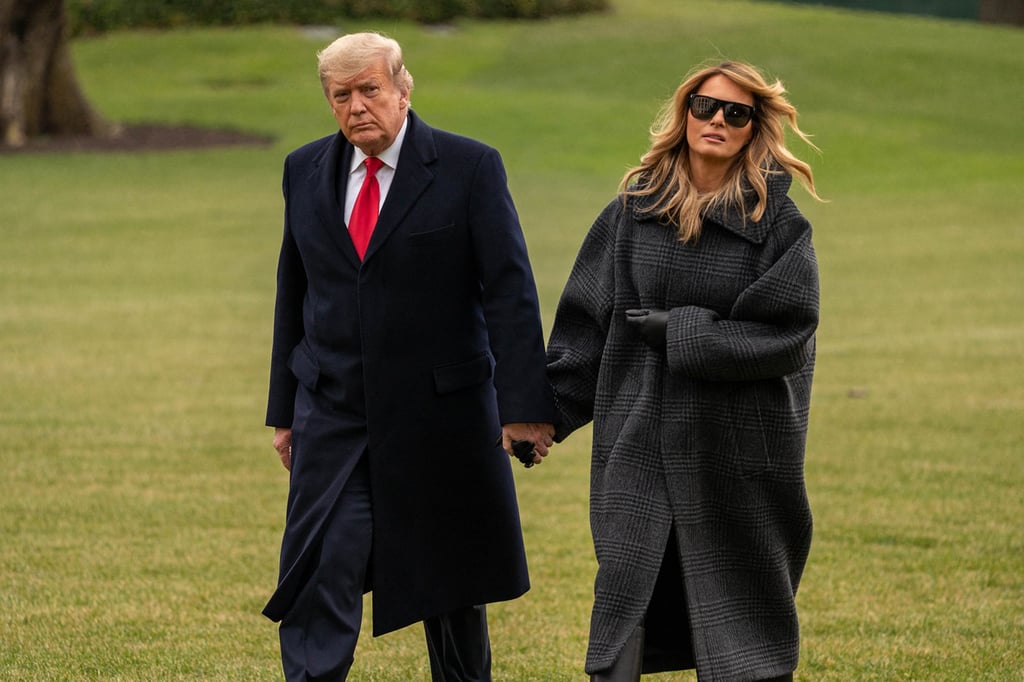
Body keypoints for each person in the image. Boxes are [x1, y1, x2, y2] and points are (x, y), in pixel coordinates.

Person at [263, 31, 556, 682]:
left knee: (449, 587)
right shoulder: (303, 170)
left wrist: (525, 408)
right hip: (334, 414)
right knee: (320, 565)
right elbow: (295, 291)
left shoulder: (469, 167)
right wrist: (284, 412)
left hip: (440, 417)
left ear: (403, 88)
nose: (356, 106)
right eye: (341, 95)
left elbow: (510, 291)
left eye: (369, 89)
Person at [546, 61, 823, 681]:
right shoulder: (632, 211)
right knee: (624, 588)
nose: (717, 121)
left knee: (741, 618)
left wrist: (682, 332)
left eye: (736, 113)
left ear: (755, 128)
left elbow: (788, 335)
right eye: (705, 106)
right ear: (684, 112)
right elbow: (585, 325)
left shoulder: (778, 226)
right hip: (638, 438)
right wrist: (545, 417)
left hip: (736, 452)